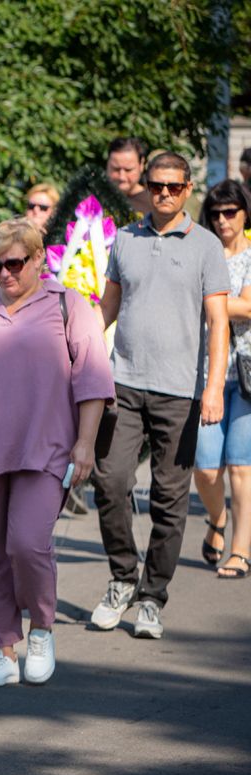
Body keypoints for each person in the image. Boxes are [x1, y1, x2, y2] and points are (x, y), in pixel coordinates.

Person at [0, 219, 113, 686]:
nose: (4, 274)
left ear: (38, 259)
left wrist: (86, 443)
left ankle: (42, 629)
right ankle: (3, 652)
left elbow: (92, 378)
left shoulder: (67, 304)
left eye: (14, 263)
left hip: (44, 447)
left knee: (27, 543)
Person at [91, 152, 230, 639]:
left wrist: (213, 387)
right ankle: (122, 578)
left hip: (181, 392)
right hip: (123, 383)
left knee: (169, 500)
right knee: (109, 483)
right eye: (156, 186)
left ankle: (152, 597)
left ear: (188, 187)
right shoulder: (125, 239)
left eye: (173, 186)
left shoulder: (207, 246)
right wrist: (75, 349)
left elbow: (218, 322)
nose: (164, 194)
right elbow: (106, 308)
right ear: (146, 187)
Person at [191, 180, 251, 578]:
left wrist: (205, 299)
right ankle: (218, 517)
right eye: (216, 213)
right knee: (206, 467)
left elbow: (247, 306)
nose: (223, 220)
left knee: (241, 468)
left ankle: (240, 550)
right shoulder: (200, 252)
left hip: (246, 374)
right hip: (204, 374)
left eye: (230, 212)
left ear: (245, 213)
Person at [106, 137, 153, 216]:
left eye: (128, 170)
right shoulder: (94, 200)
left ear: (141, 165)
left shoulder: (154, 204)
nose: (122, 177)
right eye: (116, 169)